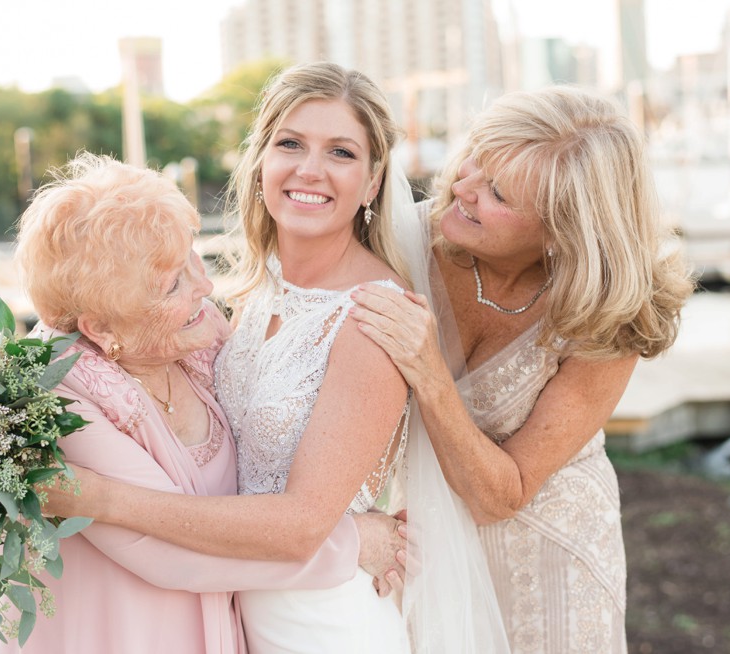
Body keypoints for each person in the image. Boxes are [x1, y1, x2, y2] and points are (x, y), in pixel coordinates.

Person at [42, 62, 509, 653]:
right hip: (235, 617)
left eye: (341, 152)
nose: (309, 169)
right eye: (291, 143)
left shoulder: (370, 319)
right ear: (262, 161)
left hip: (322, 627)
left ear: (372, 183)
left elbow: (301, 526)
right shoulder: (249, 296)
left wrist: (103, 498)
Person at [0, 151, 407, 654]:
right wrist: (351, 544)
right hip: (118, 631)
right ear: (101, 327)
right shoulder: (56, 394)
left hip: (232, 624)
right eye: (173, 284)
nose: (206, 287)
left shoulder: (201, 333)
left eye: (194, 257)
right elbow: (165, 554)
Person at [350, 84, 696, 653]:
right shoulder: (398, 244)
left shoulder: (609, 311)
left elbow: (502, 495)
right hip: (428, 540)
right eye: (474, 161)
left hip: (554, 552)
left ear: (564, 231)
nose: (462, 189)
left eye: (498, 194)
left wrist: (430, 372)